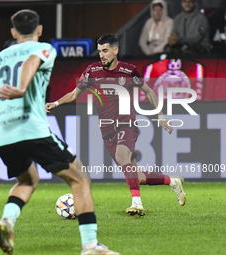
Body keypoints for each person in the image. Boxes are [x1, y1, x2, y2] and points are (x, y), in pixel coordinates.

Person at [0, 9, 119, 255]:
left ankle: (7, 220)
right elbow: (31, 61)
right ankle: (90, 246)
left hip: (3, 135)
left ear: (13, 32)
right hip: (32, 129)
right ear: (39, 30)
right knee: (80, 178)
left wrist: (3, 134)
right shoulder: (43, 48)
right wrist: (22, 88)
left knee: (27, 180)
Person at [46, 33, 187, 217]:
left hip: (126, 124)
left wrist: (160, 115)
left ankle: (137, 203)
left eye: (105, 51)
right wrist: (55, 104)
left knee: (122, 157)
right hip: (106, 130)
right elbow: (74, 94)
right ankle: (173, 181)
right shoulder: (92, 71)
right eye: (99, 51)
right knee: (136, 176)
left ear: (115, 50)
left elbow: (149, 91)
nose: (102, 55)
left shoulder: (129, 71)